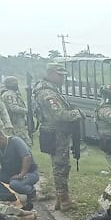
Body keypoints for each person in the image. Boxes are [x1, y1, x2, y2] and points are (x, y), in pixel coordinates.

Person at [33, 62, 83, 211]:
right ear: (51, 74)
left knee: (60, 165)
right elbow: (58, 114)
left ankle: (60, 199)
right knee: (61, 166)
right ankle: (64, 200)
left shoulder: (48, 90)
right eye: (60, 75)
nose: (62, 79)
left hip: (53, 132)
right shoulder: (48, 94)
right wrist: (77, 114)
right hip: (56, 132)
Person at [0, 75, 32, 146]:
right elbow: (13, 108)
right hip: (15, 124)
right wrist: (27, 111)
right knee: (25, 144)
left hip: (17, 123)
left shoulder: (12, 94)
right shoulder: (9, 94)